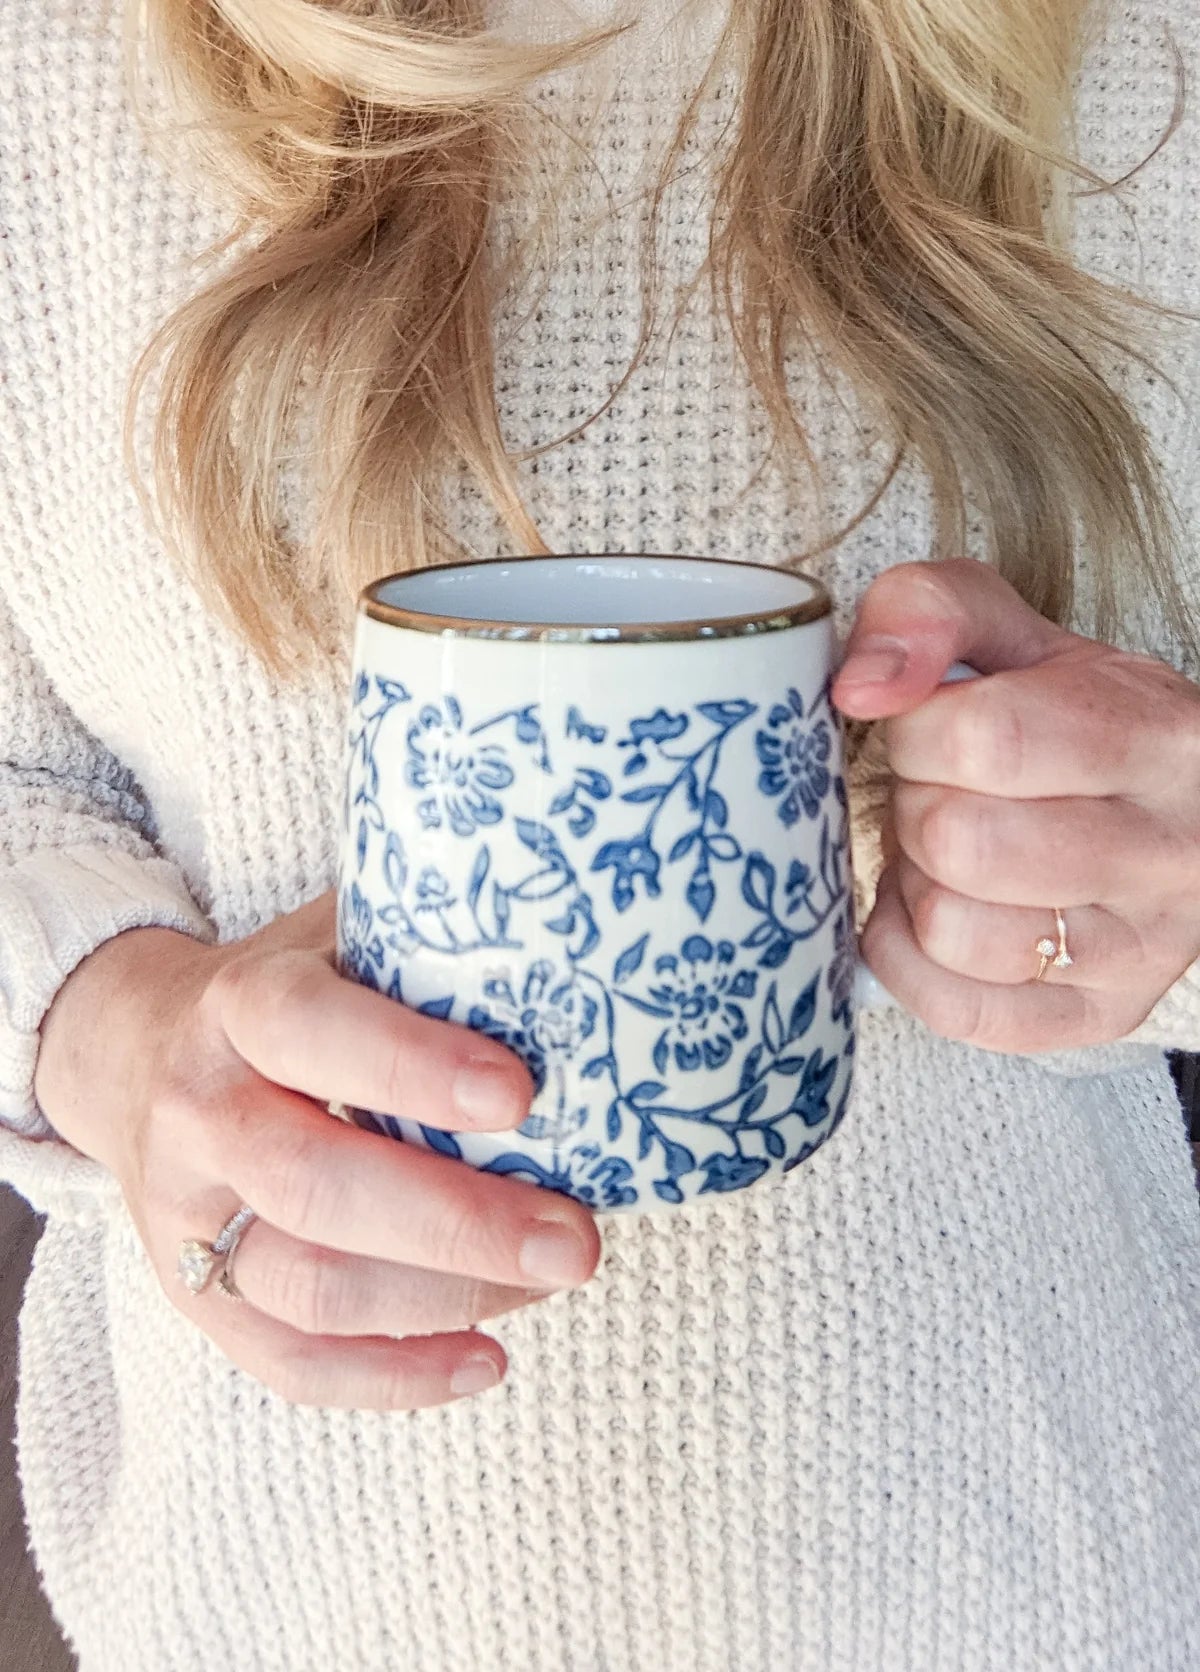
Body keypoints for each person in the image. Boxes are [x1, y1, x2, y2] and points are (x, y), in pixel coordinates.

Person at [2, 0, 1200, 1666]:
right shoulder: (48, 64)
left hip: (1047, 1571)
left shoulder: (1137, 50)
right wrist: (112, 1038)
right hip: (284, 1595)